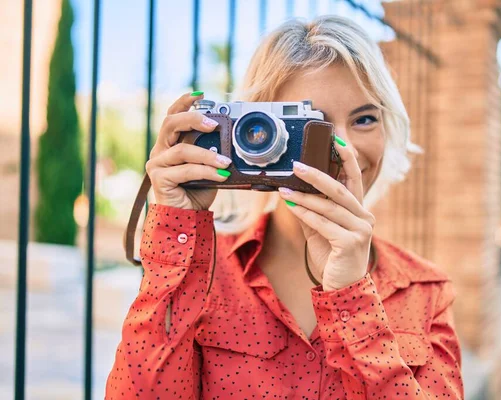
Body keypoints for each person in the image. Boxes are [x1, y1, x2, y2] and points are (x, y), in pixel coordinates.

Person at [105, 15, 463, 400]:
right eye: (315, 123)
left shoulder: (424, 291)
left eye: (364, 119)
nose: (346, 150)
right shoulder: (199, 271)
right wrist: (177, 230)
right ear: (251, 134)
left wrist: (351, 295)